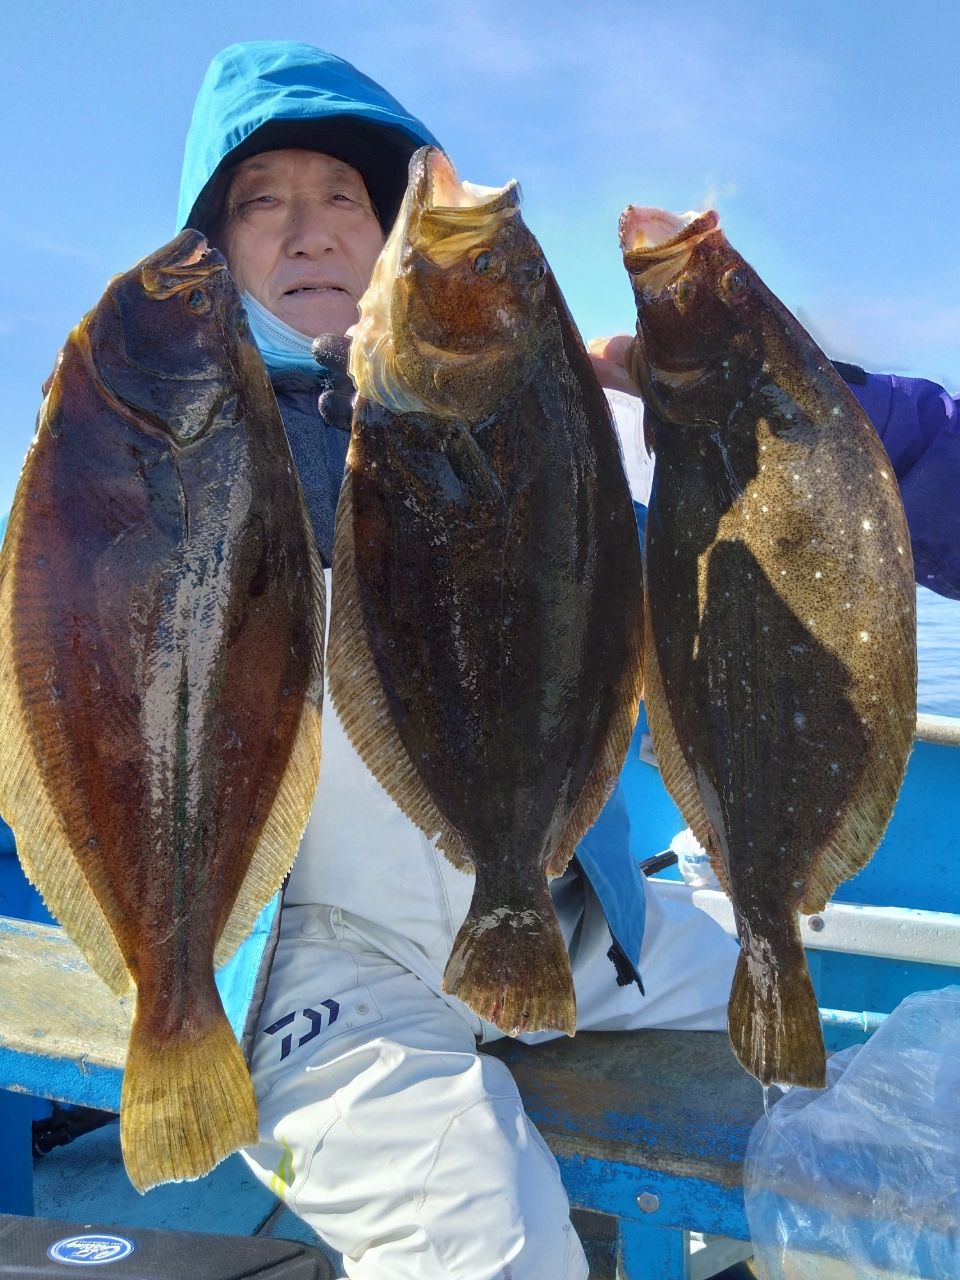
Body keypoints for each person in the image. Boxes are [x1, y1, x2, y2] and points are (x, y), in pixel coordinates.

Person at [174, 41, 960, 1280]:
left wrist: (736, 399)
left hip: (570, 901)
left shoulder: (518, 409)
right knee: (488, 1245)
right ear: (213, 250)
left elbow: (671, 576)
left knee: (839, 1106)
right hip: (324, 955)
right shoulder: (187, 444)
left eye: (343, 198)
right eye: (262, 200)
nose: (309, 231)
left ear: (390, 244)